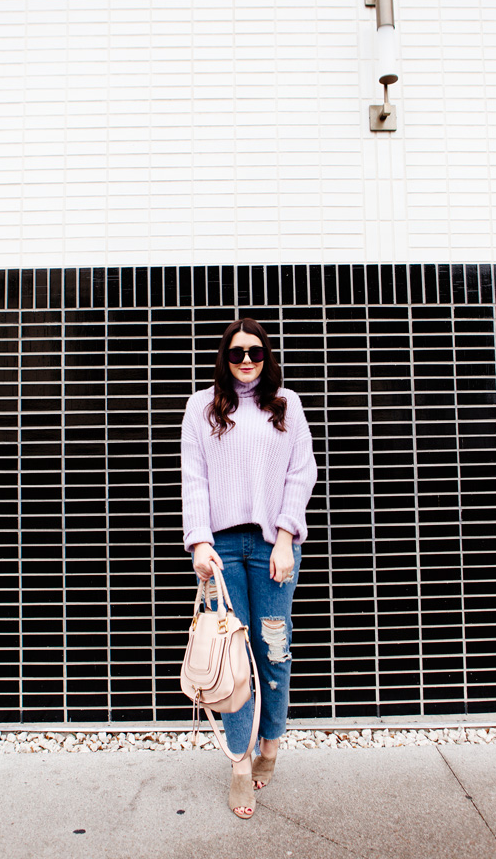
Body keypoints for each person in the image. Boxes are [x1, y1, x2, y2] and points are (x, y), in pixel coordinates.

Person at [181, 317, 317, 819]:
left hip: (271, 547)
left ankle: (271, 745)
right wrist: (198, 541)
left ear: (267, 356)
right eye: (236, 353)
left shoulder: (286, 405)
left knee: (273, 646)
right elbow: (193, 477)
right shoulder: (201, 407)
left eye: (255, 353)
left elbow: (301, 473)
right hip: (220, 547)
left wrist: (285, 538)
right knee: (232, 654)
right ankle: (239, 763)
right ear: (224, 356)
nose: (245, 361)